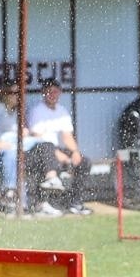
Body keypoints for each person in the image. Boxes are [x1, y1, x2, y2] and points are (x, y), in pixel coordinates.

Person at [25, 79, 92, 214]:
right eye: (49, 92)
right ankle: (42, 203)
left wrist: (75, 152)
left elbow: (67, 136)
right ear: (43, 93)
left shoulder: (62, 111)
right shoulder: (37, 111)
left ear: (60, 93)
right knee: (49, 156)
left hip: (56, 150)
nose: (52, 95)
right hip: (39, 151)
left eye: (55, 92)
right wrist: (58, 155)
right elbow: (39, 139)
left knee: (84, 162)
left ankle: (75, 202)